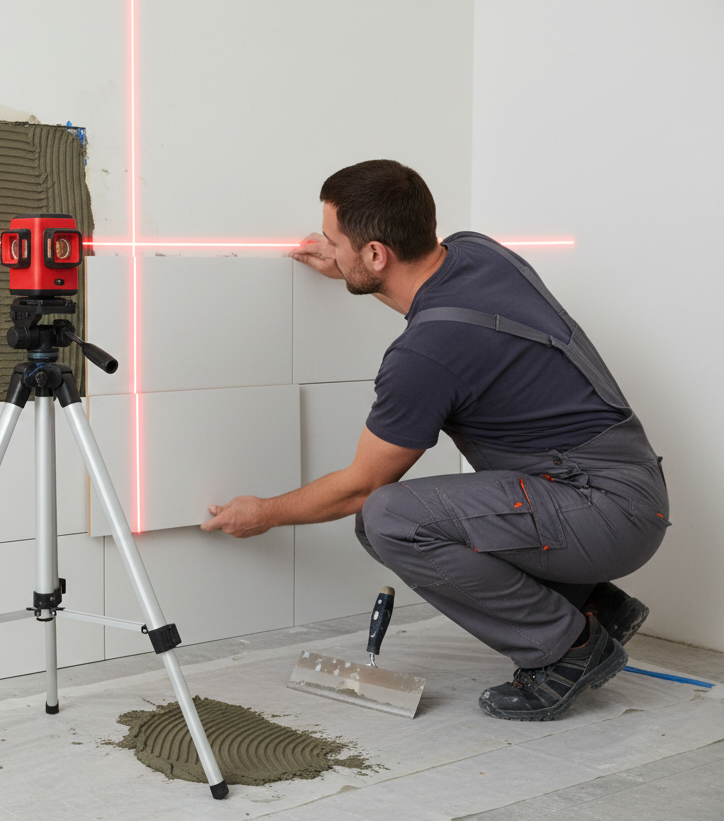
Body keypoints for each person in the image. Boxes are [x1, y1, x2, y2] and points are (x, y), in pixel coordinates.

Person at [201, 159, 669, 721]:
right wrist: (349, 267)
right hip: (623, 485)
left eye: (335, 240)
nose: (328, 248)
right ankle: (592, 604)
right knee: (394, 517)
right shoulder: (476, 251)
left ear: (377, 253)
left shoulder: (421, 357)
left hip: (601, 510)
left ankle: (567, 649)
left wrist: (266, 512)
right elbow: (428, 301)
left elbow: (362, 488)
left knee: (389, 517)